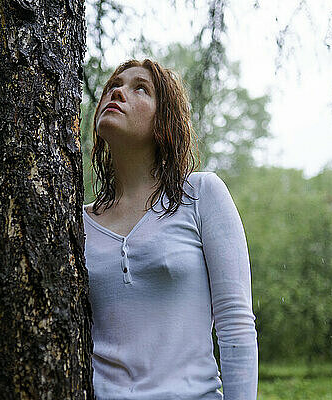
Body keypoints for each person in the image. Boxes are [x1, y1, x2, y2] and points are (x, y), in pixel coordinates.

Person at [82, 58, 258, 400]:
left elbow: (235, 324)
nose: (117, 91)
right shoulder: (74, 224)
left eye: (140, 88)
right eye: (113, 86)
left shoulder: (201, 195)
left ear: (165, 122)